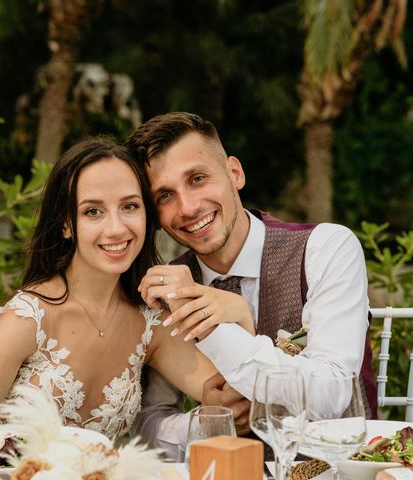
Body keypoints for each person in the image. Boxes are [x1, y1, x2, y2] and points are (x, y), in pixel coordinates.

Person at [126, 112, 377, 457]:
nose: (188, 207)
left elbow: (333, 397)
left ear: (235, 173)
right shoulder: (170, 289)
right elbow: (147, 425)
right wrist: (208, 421)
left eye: (197, 179)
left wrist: (213, 328)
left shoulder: (325, 248)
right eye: (165, 196)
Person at [0, 138, 218, 440]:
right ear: (66, 223)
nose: (117, 228)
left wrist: (228, 307)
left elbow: (228, 396)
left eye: (129, 206)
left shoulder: (151, 321)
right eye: (93, 212)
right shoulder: (30, 317)